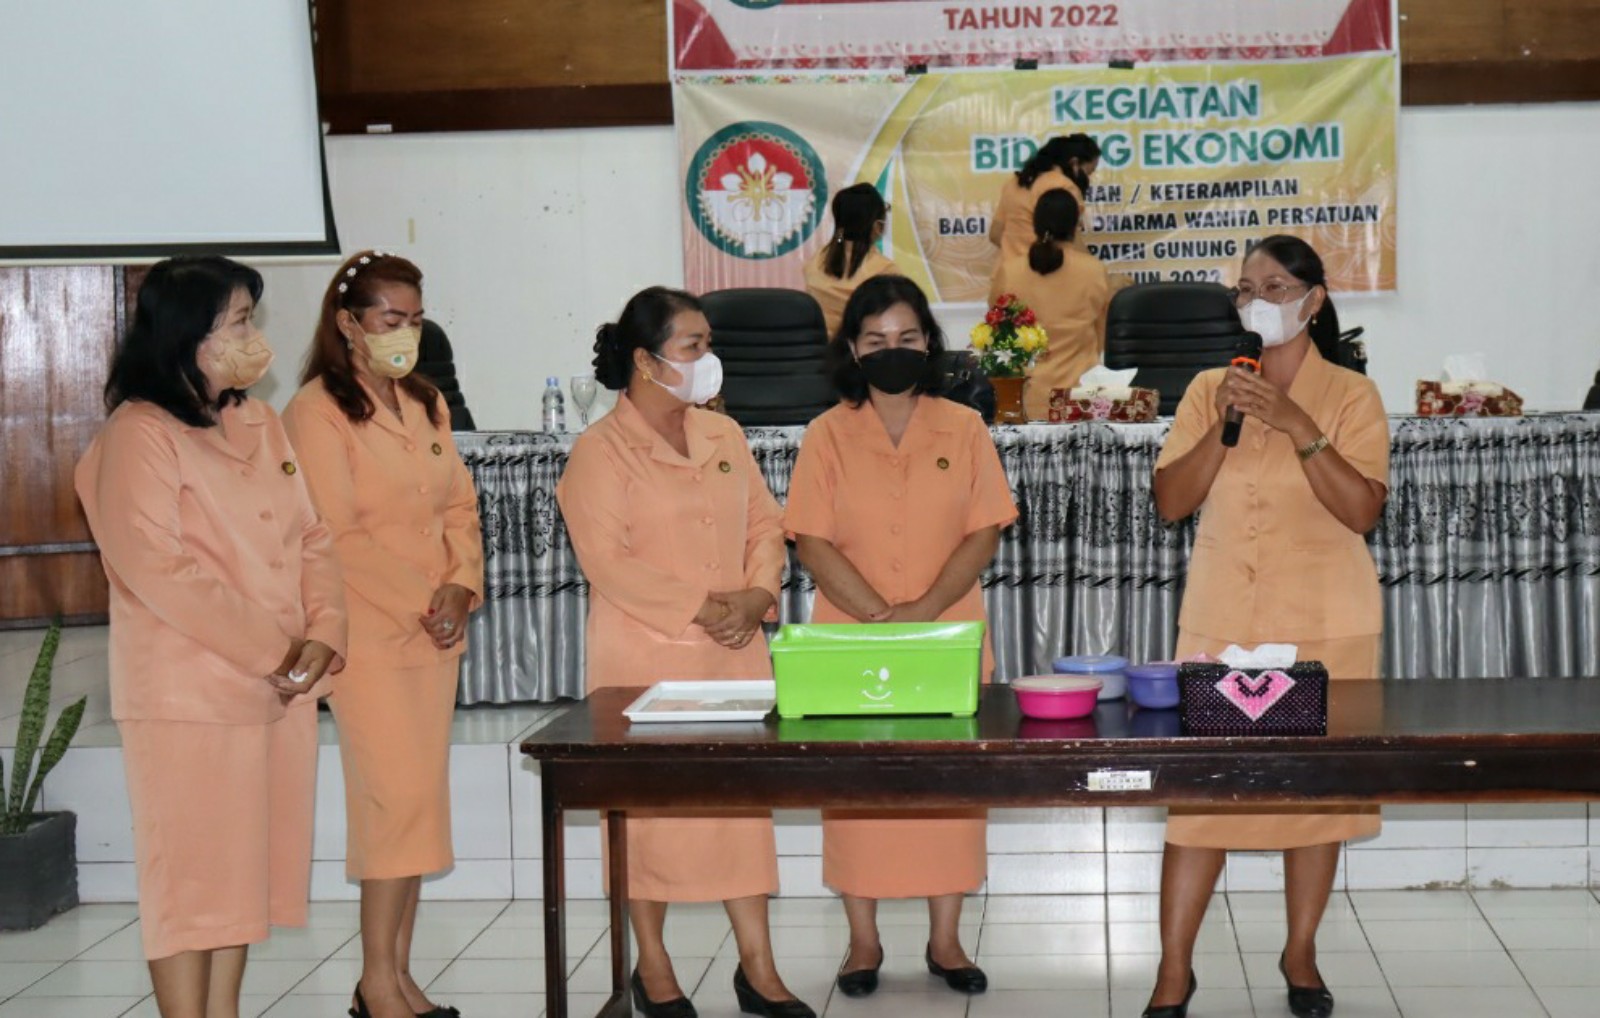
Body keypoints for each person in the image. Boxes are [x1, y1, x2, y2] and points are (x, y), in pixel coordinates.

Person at [75, 256, 346, 1018]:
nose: (253, 338)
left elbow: (313, 536)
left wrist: (323, 632)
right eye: (239, 322)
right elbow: (158, 570)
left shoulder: (257, 420)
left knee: (241, 883)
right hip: (188, 696)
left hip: (276, 689)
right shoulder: (139, 433)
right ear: (187, 333)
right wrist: (277, 648)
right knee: (189, 887)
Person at [1145, 236, 1390, 1018]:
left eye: (1276, 287)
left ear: (1314, 300)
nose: (1257, 301)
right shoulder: (1207, 388)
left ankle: (1301, 955)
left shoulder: (1351, 394)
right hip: (1223, 625)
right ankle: (1173, 973)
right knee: (1201, 804)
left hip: (1325, 624)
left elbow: (1362, 510)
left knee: (1316, 802)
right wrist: (1222, 423)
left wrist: (1296, 424)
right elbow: (1171, 502)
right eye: (1246, 289)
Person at [555, 287, 815, 1018]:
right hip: (645, 661)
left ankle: (758, 968)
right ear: (646, 361)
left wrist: (758, 596)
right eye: (694, 346)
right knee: (647, 816)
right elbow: (607, 562)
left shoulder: (722, 434)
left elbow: (765, 524)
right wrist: (708, 608)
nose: (709, 358)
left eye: (708, 343)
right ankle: (654, 967)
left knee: (740, 811)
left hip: (733, 652)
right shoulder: (600, 451)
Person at [785, 275, 1018, 999]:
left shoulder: (965, 427)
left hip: (946, 635)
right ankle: (863, 941)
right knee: (857, 791)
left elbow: (984, 531)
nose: (893, 350)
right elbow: (811, 539)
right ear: (853, 350)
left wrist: (922, 612)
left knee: (951, 789)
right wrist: (878, 617)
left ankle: (946, 941)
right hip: (849, 639)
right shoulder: (826, 433)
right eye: (877, 339)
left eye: (908, 337)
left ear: (929, 343)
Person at [281, 251, 484, 1018]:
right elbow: (335, 534)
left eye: (416, 319)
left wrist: (461, 585)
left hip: (433, 636)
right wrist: (424, 602)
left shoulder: (425, 401)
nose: (406, 333)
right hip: (367, 635)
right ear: (348, 323)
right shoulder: (316, 411)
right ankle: (375, 982)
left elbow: (459, 507)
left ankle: (397, 977)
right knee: (392, 806)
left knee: (415, 806)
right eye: (390, 319)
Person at [989, 188, 1112, 420]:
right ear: (1076, 225)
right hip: (1080, 398)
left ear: (1035, 224)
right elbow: (1101, 334)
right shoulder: (1094, 271)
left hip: (1024, 399)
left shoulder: (1010, 271)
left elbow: (997, 332)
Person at [803, 182, 902, 337]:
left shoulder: (814, 262)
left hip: (821, 349)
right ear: (877, 226)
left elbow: (839, 239)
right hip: (864, 349)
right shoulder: (885, 271)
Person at [989, 133, 1100, 261]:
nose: (1088, 179)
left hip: (1009, 270)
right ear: (1074, 163)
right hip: (1048, 271)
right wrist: (1096, 268)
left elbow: (995, 234)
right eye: (1089, 172)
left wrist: (1018, 252)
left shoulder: (1014, 183)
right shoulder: (1065, 187)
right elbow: (1072, 243)